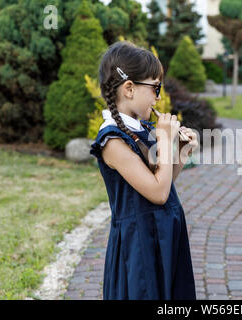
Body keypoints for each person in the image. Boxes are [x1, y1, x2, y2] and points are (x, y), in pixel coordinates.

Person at [90, 41, 198, 300]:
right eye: (155, 87)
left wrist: (180, 151)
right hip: (139, 244)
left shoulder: (140, 128)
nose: (158, 97)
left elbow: (165, 180)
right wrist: (163, 139)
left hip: (165, 234)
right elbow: (158, 194)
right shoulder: (113, 140)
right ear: (129, 88)